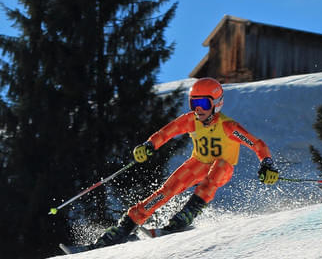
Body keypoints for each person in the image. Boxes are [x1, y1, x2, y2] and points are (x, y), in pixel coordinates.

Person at [92, 77, 279, 248]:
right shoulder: (192, 120)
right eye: (194, 103)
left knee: (219, 167)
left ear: (217, 103)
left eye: (204, 103)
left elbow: (257, 144)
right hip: (198, 164)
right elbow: (167, 133)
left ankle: (187, 214)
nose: (198, 110)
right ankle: (126, 225)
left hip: (222, 168)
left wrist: (267, 163)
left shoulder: (227, 126)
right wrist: (149, 145)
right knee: (167, 190)